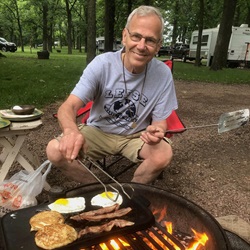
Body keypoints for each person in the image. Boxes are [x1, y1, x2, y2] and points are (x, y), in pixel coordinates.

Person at [46, 5, 178, 184]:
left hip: (136, 136)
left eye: (150, 40)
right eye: (136, 36)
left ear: (158, 46)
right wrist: (70, 131)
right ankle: (98, 191)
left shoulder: (163, 74)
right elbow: (67, 107)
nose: (141, 46)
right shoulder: (102, 64)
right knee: (54, 150)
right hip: (98, 132)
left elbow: (160, 121)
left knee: (163, 154)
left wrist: (158, 131)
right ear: (125, 36)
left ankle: (129, 196)